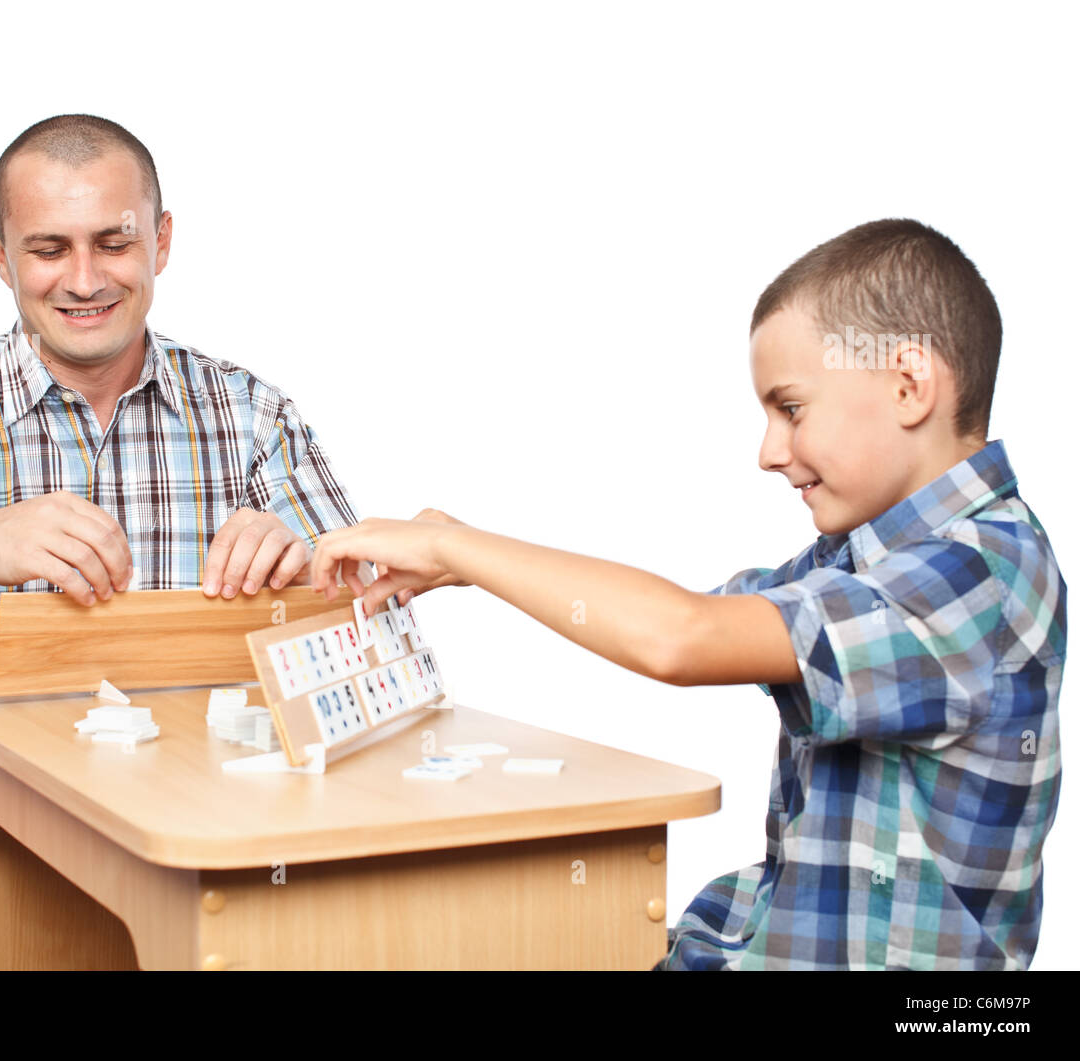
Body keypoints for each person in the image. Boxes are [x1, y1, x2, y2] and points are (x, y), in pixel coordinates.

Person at [310, 219, 1067, 970]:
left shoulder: (982, 571)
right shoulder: (870, 559)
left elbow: (682, 635)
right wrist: (465, 552)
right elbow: (689, 612)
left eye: (791, 408)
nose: (769, 452)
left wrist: (457, 549)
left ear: (908, 385)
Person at [0, 114, 358, 970]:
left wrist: (305, 572)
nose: (85, 278)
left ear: (161, 241)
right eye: (49, 248)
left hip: (211, 823)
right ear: (0, 254)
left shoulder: (253, 417)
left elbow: (370, 647)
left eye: (114, 242)